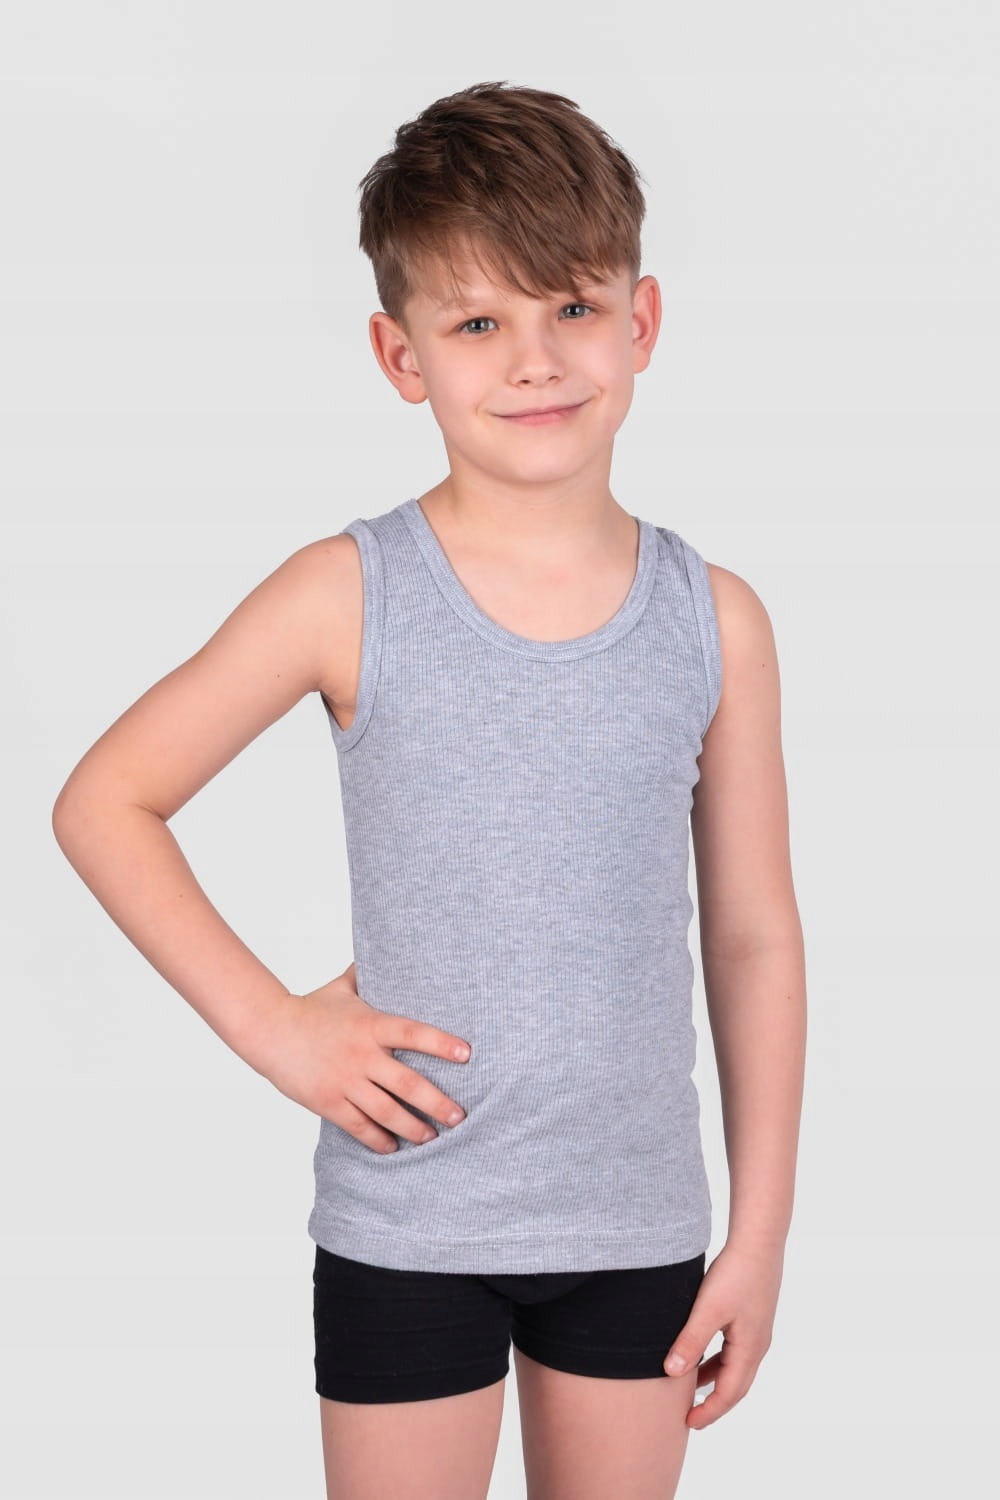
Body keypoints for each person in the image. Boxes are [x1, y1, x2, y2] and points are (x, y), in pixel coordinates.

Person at [52, 80, 806, 1500]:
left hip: (635, 1225)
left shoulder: (716, 621)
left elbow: (754, 934)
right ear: (402, 355)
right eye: (478, 325)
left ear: (640, 321)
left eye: (572, 306)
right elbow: (106, 800)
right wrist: (277, 1029)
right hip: (409, 1217)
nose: (536, 360)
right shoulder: (349, 594)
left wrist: (758, 1234)